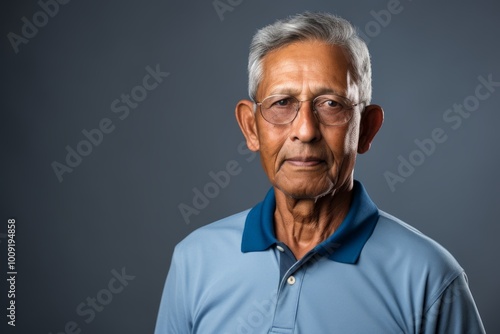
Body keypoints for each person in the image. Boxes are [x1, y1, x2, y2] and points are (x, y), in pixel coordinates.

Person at [155, 12, 485, 333]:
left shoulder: (431, 279)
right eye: (282, 102)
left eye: (331, 104)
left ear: (366, 129)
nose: (305, 130)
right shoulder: (195, 260)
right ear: (250, 127)